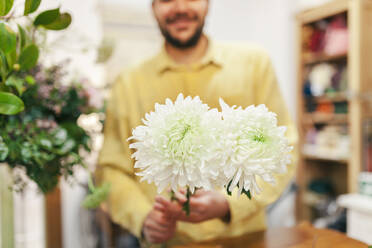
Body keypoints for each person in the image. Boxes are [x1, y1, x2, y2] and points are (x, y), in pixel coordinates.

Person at [96, 0, 298, 246]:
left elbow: (281, 147)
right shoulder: (128, 83)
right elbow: (111, 169)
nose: (180, 7)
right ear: (153, 7)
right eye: (167, 0)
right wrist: (143, 218)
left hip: (245, 239)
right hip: (168, 242)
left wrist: (229, 202)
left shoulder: (254, 64)